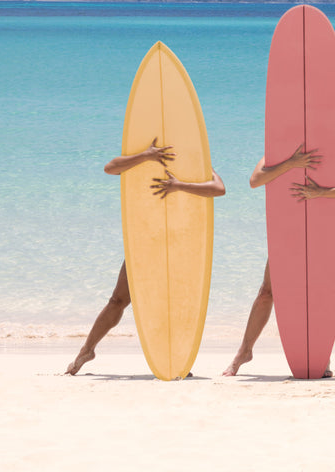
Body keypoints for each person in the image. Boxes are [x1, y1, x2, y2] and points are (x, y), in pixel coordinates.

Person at [66, 140, 226, 375]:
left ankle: (175, 359)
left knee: (171, 303)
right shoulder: (141, 160)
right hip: (144, 240)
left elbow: (219, 188)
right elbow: (110, 168)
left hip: (178, 242)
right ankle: (87, 350)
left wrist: (179, 185)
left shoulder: (194, 163)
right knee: (118, 301)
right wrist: (146, 155)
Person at [222, 142, 335, 376]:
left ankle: (322, 358)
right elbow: (255, 180)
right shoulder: (282, 142)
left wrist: (322, 193)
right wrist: (291, 163)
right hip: (288, 229)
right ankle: (244, 352)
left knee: (319, 296)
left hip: (323, 231)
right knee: (267, 292)